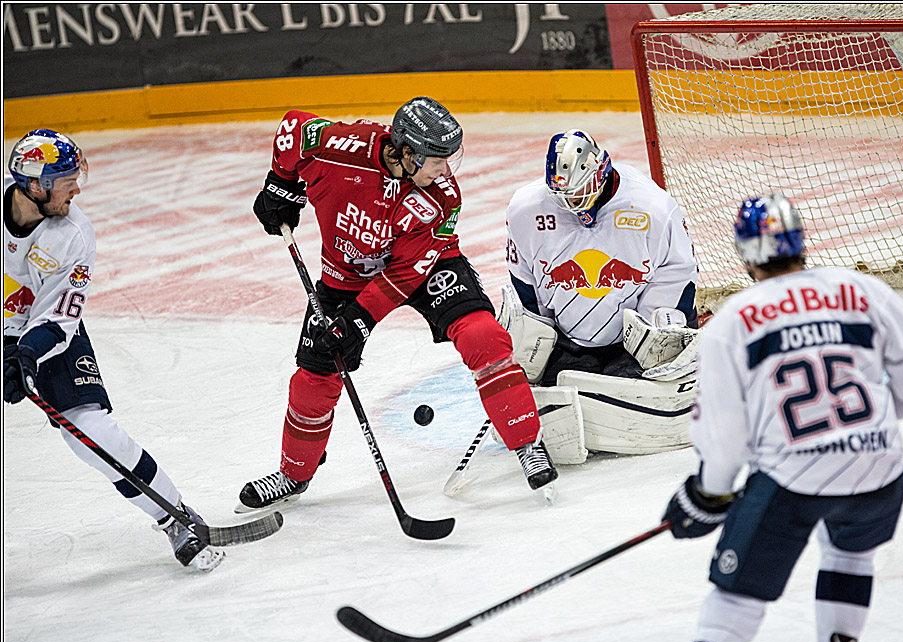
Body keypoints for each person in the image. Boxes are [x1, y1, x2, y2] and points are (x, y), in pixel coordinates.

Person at [662, 193, 903, 642]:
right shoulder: (859, 290)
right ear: (800, 240)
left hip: (793, 483)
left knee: (735, 600)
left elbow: (726, 438)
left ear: (744, 252)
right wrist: (863, 428)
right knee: (849, 554)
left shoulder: (733, 320)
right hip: (882, 472)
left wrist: (706, 495)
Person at [238, 96, 556, 508]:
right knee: (314, 377)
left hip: (425, 266)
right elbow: (294, 127)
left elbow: (406, 273)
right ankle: (292, 474)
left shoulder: (442, 197)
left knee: (483, 335)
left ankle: (527, 443)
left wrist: (360, 319)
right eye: (437, 159)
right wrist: (280, 183)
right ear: (407, 151)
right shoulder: (341, 149)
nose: (446, 170)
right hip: (345, 273)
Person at [3, 129, 224, 572]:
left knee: (89, 429)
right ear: (35, 184)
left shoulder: (74, 234)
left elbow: (60, 318)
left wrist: (22, 353)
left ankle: (175, 516)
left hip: (38, 331)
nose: (77, 188)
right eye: (67, 179)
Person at [499, 129, 701, 463]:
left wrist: (657, 337)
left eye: (579, 192)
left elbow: (678, 273)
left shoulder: (653, 207)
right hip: (567, 341)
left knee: (665, 386)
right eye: (563, 194)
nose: (572, 203)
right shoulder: (526, 209)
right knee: (538, 388)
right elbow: (523, 282)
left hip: (631, 342)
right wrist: (531, 338)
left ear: (600, 170)